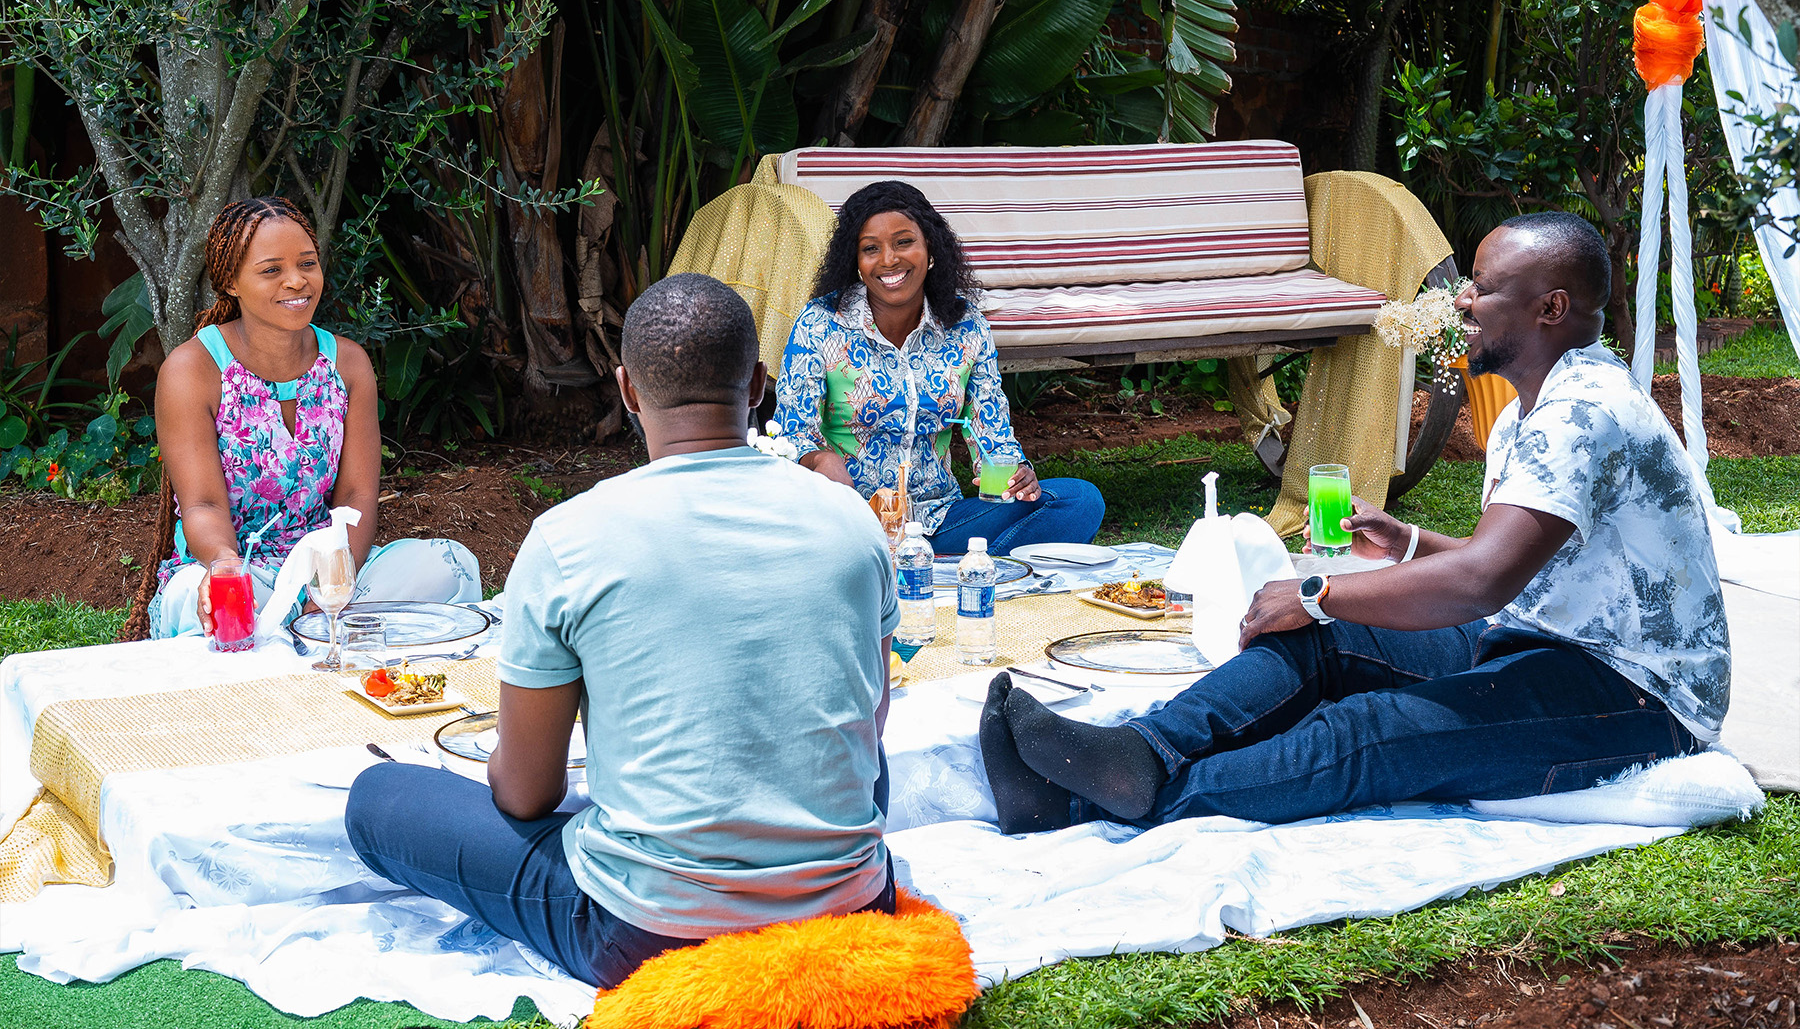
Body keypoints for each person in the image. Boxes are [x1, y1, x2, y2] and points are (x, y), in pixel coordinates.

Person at [980, 212, 1725, 833]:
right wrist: (1402, 542)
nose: (1461, 300)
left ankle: (1080, 799)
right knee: (1319, 643)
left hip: (1636, 695)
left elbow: (1480, 580)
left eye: (1483, 288)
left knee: (1370, 729)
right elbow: (1511, 562)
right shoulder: (1537, 403)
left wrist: (1316, 591)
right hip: (1536, 638)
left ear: (1550, 308)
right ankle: (1137, 753)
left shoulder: (1583, 412)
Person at [345, 273, 897, 989]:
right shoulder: (850, 517)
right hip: (853, 907)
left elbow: (526, 796)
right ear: (757, 384)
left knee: (377, 798)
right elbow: (870, 725)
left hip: (651, 932)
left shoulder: (568, 538)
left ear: (628, 390)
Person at [123, 197, 480, 641]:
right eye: (271, 270)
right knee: (200, 604)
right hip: (240, 568)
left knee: (449, 565)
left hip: (327, 566)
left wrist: (335, 581)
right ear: (231, 282)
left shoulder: (346, 364)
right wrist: (224, 567)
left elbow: (356, 494)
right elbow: (202, 505)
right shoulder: (193, 370)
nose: (297, 281)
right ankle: (314, 640)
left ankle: (309, 634)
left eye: (307, 263)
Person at [776, 180, 1104, 554]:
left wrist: (1018, 476)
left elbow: (992, 434)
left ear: (930, 247)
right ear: (855, 260)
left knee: (1080, 500)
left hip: (938, 521)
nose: (888, 260)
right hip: (849, 523)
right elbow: (790, 436)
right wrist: (820, 458)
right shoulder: (821, 323)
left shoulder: (966, 326)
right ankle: (970, 568)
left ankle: (940, 566)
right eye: (870, 248)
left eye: (904, 242)